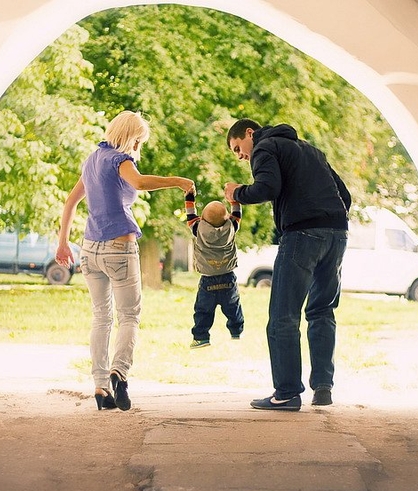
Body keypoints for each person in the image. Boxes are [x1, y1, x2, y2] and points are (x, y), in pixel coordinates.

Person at [55, 111, 194, 411]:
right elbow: (140, 183)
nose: (138, 146)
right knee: (129, 316)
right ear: (130, 136)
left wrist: (63, 242)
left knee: (101, 317)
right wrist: (177, 181)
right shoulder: (121, 160)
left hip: (89, 249)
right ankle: (119, 372)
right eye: (138, 140)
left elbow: (71, 201)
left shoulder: (91, 160)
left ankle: (100, 387)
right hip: (119, 248)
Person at [224, 119, 351, 411]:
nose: (241, 156)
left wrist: (236, 192)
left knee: (283, 315)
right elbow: (345, 195)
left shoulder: (264, 147)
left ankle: (287, 393)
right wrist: (329, 221)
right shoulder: (311, 150)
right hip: (337, 234)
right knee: (321, 310)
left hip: (302, 235)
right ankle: (323, 387)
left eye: (238, 148)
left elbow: (267, 188)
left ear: (250, 133)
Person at [184, 189, 244, 349]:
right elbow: (237, 213)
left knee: (203, 310)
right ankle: (236, 331)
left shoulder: (198, 229)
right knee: (233, 306)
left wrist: (189, 196)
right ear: (227, 218)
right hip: (228, 277)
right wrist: (233, 198)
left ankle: (201, 337)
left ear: (202, 219)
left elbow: (190, 214)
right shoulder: (232, 227)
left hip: (207, 279)